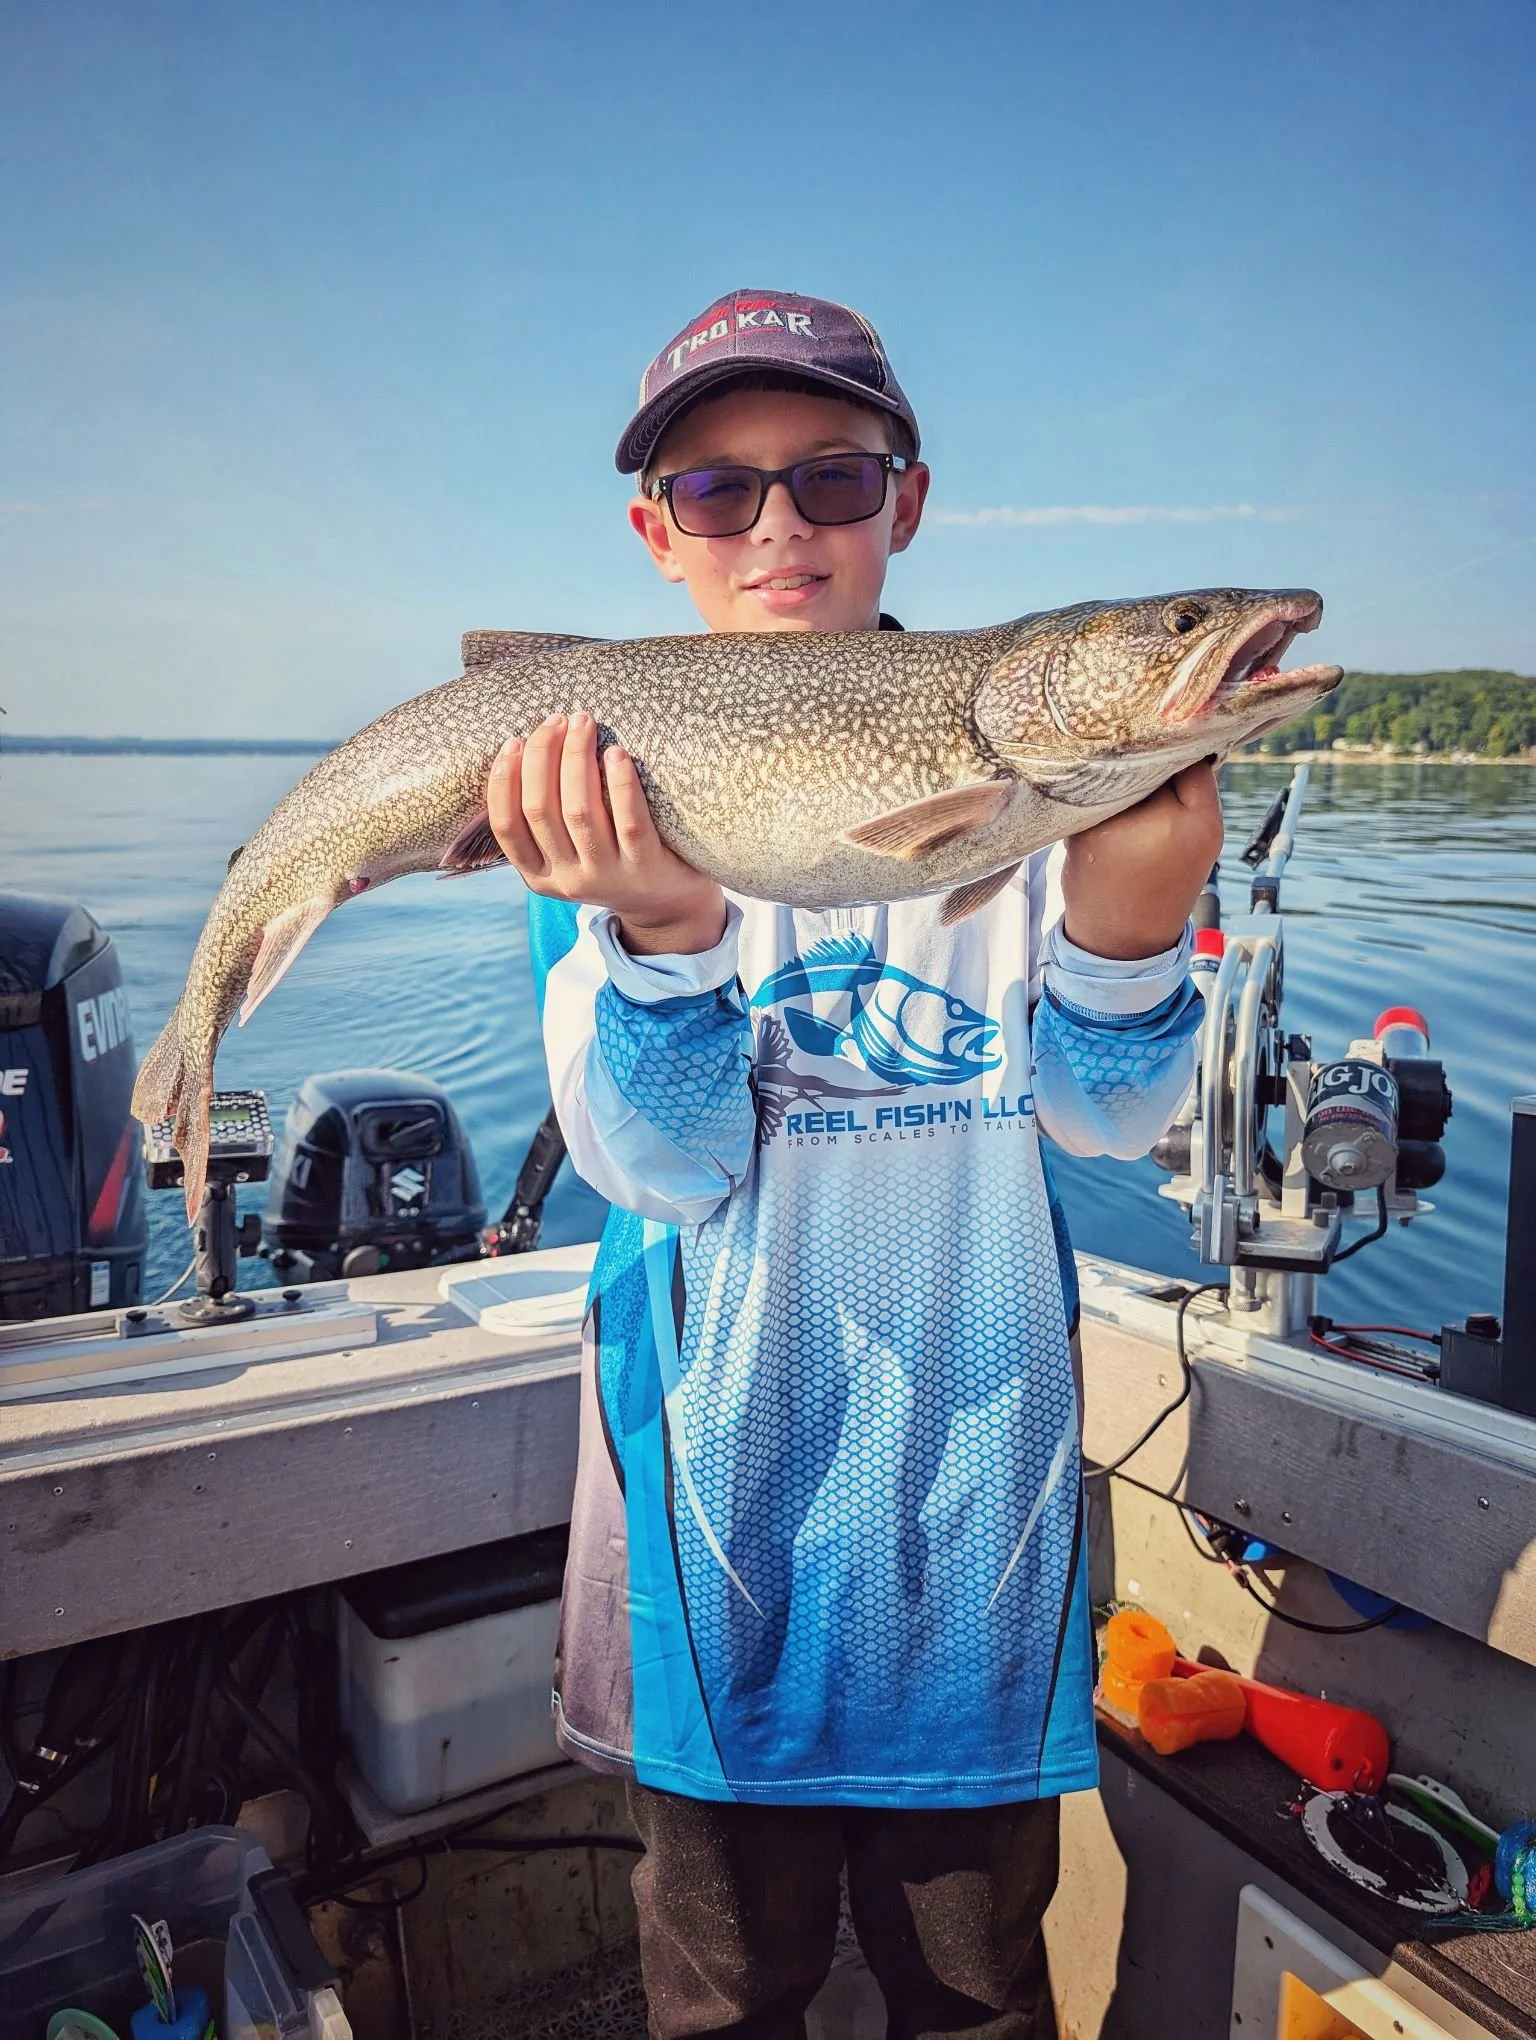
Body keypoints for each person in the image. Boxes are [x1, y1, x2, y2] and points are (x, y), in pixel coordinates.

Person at [487, 288, 1221, 2038]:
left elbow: (1109, 1123)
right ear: (656, 535)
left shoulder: (1044, 773)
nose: (781, 528)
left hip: (977, 1509)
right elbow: (659, 1170)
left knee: (976, 1990)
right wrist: (661, 930)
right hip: (707, 1499)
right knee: (725, 1993)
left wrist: (1135, 930)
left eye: (829, 478)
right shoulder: (589, 810)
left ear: (908, 499)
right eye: (722, 493)